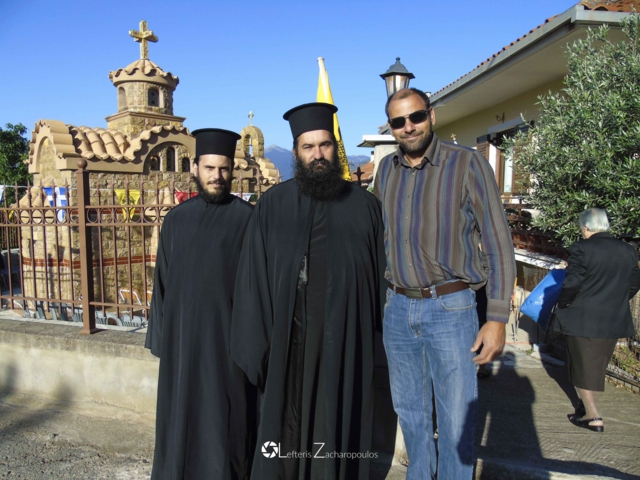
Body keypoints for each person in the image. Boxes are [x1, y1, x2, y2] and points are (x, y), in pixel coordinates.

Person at [230, 102, 386, 480]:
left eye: (325, 145)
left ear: (335, 148)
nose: (318, 154)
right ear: (297, 152)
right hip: (288, 340)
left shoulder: (365, 207)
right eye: (308, 146)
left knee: (338, 418)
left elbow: (381, 278)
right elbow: (253, 279)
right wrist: (257, 347)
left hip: (345, 341)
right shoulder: (272, 205)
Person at [374, 88, 516, 479]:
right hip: (398, 308)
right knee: (411, 416)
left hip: (451, 309)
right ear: (391, 127)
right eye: (398, 121)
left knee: (456, 422)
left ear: (431, 116)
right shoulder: (386, 171)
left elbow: (499, 243)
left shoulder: (468, 164)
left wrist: (497, 319)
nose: (408, 127)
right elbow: (376, 238)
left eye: (416, 117)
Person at [145, 128, 256, 480]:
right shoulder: (176, 220)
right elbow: (162, 282)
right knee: (180, 417)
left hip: (227, 344)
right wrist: (163, 340)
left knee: (225, 422)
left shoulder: (248, 219)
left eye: (223, 169)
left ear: (232, 170)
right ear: (195, 168)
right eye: (209, 168)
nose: (216, 176)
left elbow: (257, 287)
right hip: (181, 344)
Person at [555, 208, 640, 432]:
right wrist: (616, 300)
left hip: (582, 316)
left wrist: (563, 302)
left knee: (581, 366)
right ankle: (584, 407)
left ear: (585, 227)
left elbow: (573, 282)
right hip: (612, 317)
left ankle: (593, 415)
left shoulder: (581, 248)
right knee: (595, 365)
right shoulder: (628, 250)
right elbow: (634, 282)